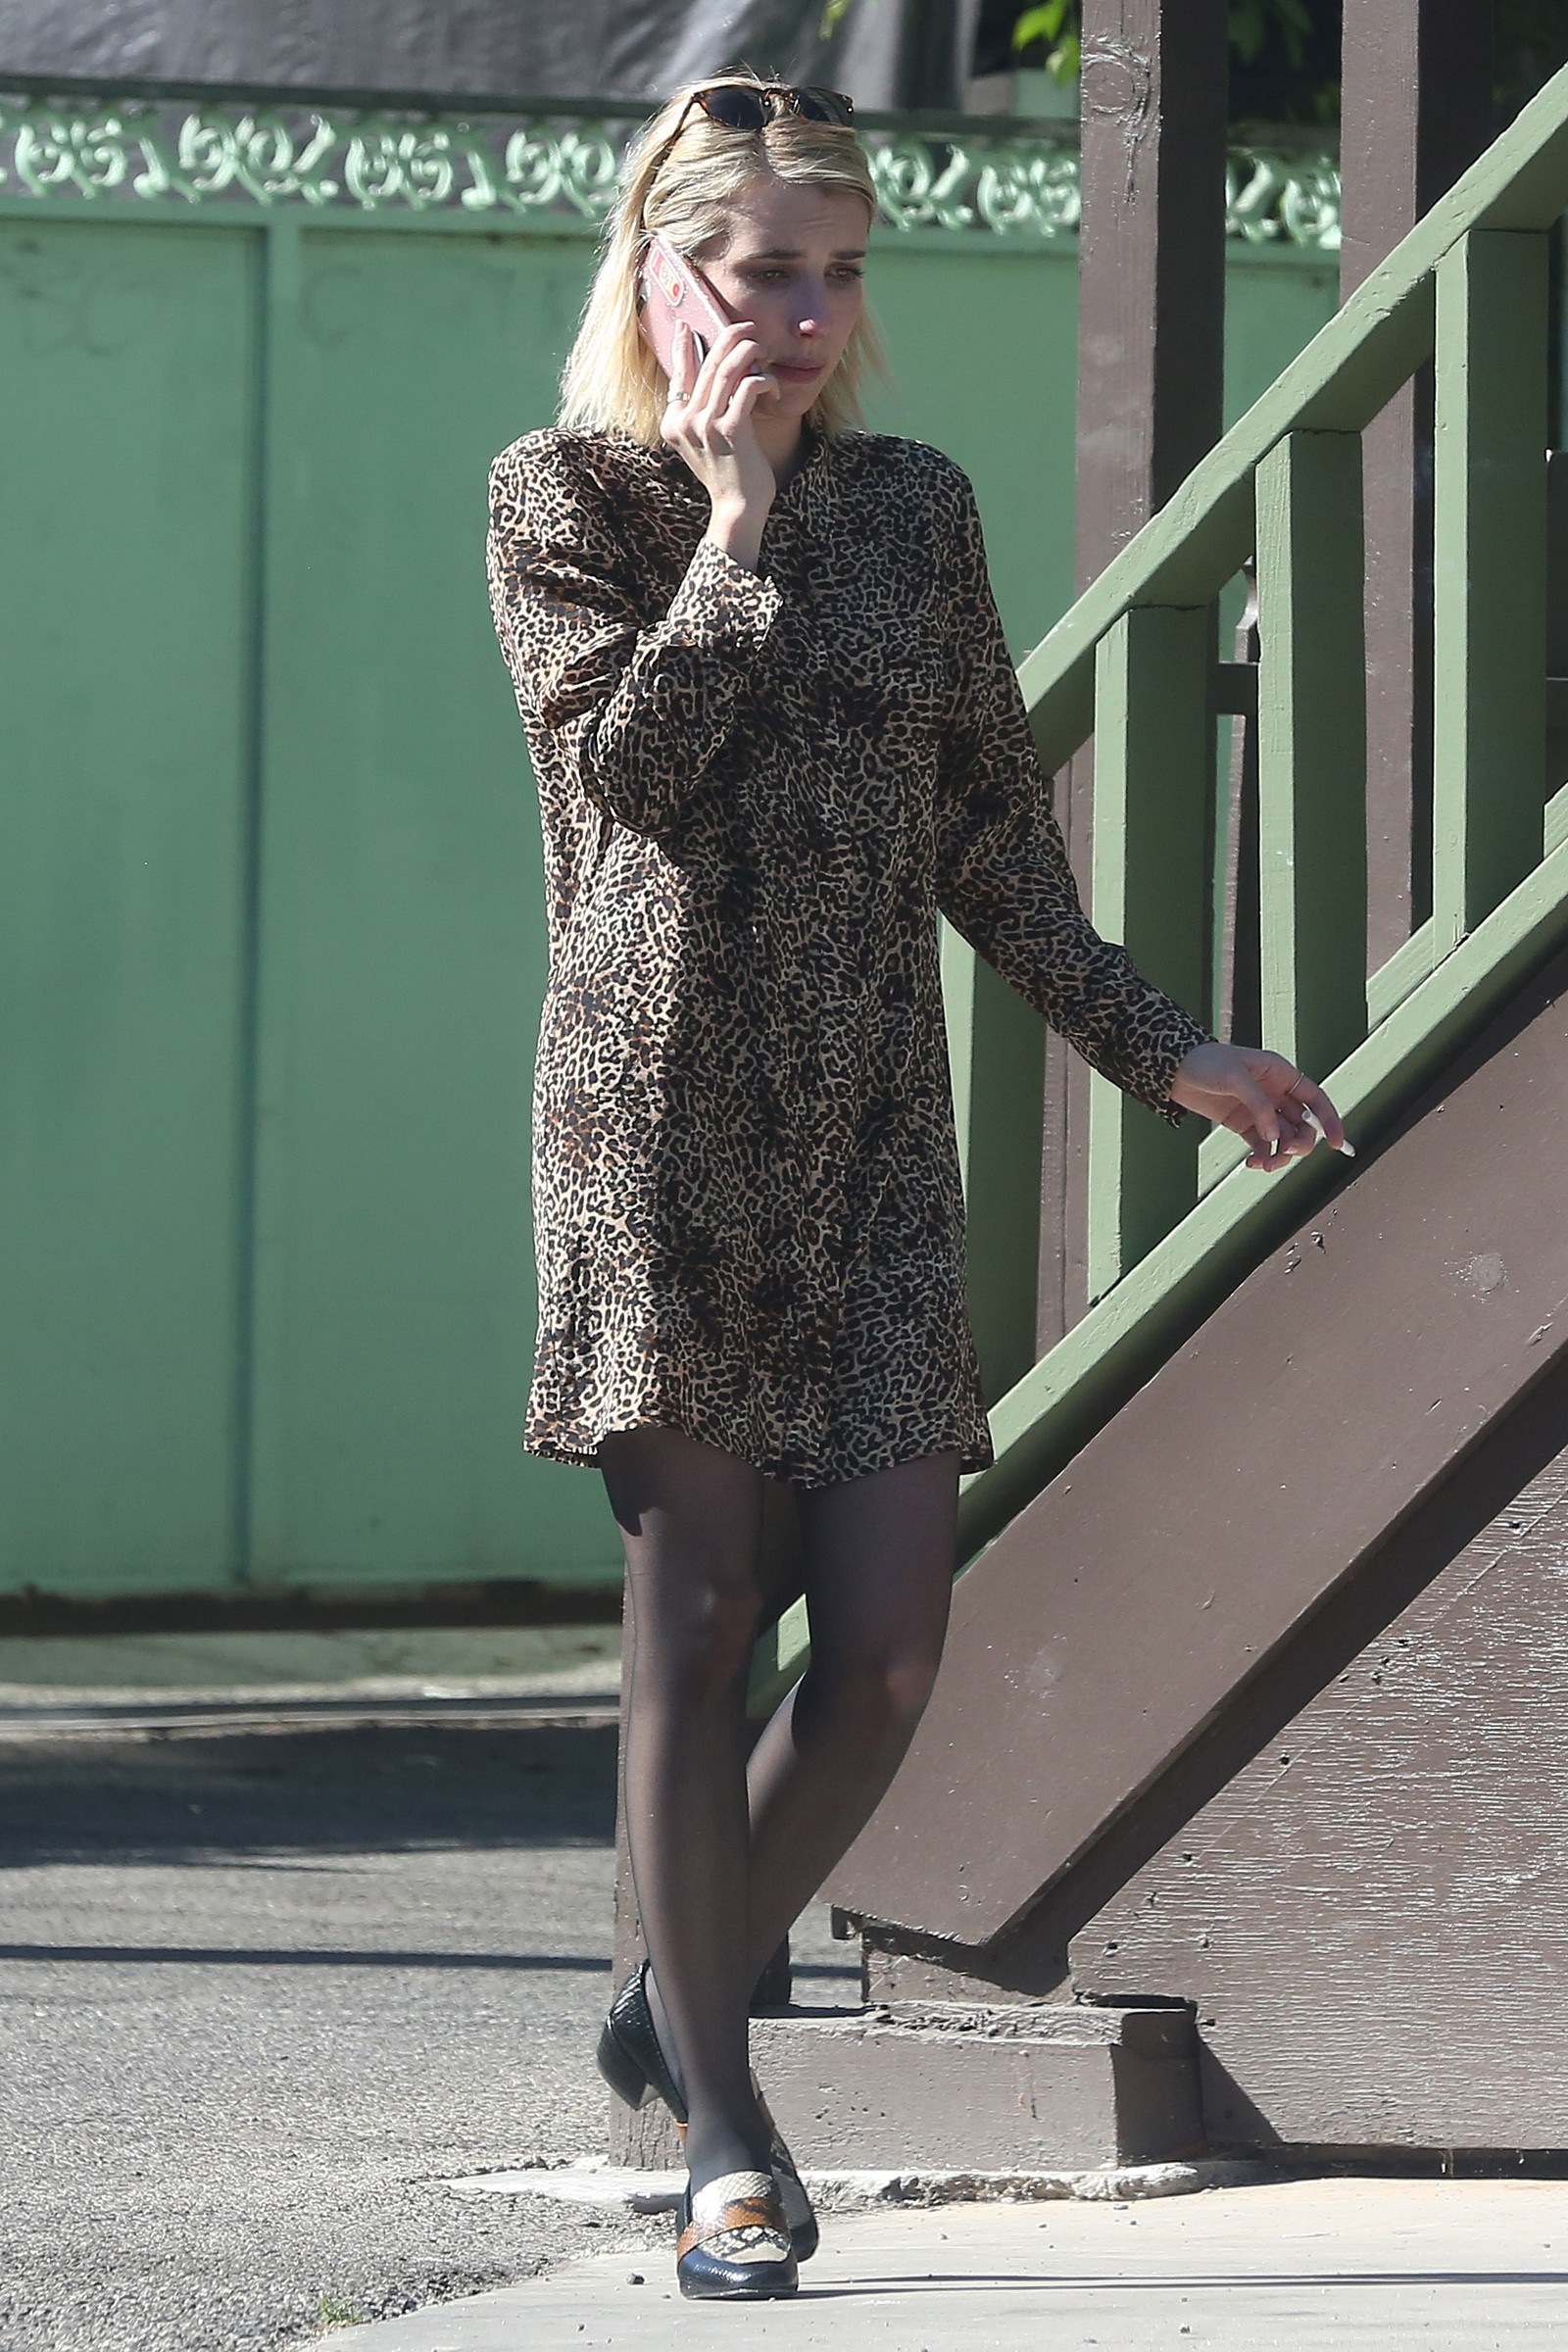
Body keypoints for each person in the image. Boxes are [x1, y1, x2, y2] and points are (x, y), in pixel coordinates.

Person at [486, 74, 1347, 2302]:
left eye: (835, 273)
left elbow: (984, 832)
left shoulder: (918, 509)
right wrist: (735, 522)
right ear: (661, 273)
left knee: (880, 1651)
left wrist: (1165, 1048)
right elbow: (635, 777)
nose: (805, 314)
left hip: (869, 1126)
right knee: (696, 1619)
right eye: (763, 271)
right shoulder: (561, 497)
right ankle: (727, 2138)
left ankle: (681, 1984)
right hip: (656, 1129)